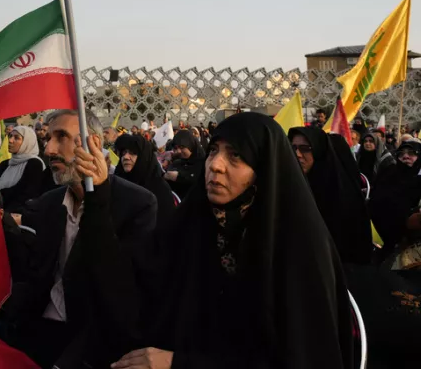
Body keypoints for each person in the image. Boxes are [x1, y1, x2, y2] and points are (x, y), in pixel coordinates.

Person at [116, 113, 355, 369]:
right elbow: (138, 282)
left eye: (236, 155)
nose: (215, 165)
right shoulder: (196, 222)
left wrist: (180, 363)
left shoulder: (297, 247)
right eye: (213, 151)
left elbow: (297, 357)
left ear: (262, 169)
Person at [0, 109, 157, 368]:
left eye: (61, 137)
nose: (49, 149)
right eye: (48, 138)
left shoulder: (137, 204)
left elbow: (123, 294)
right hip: (36, 335)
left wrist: (98, 199)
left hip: (92, 345)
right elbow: (32, 274)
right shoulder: (48, 203)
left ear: (92, 143)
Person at [288, 127, 372, 265]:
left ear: (319, 151)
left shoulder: (340, 194)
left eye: (305, 148)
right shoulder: (291, 184)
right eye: (293, 148)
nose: (297, 154)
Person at [369, 140, 421, 257]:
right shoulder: (389, 174)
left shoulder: (418, 181)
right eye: (401, 154)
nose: (405, 156)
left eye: (411, 153)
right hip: (383, 238)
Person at [114, 133, 176, 229]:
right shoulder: (117, 183)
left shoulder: (160, 189)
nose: (126, 157)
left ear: (144, 156)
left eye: (132, 153)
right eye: (123, 153)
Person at [0, 126, 48, 214]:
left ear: (27, 142)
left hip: (18, 215)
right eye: (10, 136)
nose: (10, 140)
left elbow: (26, 194)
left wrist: (0, 195)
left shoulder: (34, 164)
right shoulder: (4, 164)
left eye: (16, 138)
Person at [164, 130, 205, 199]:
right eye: (176, 148)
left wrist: (179, 177)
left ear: (191, 145)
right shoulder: (177, 162)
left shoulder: (204, 163)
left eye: (182, 147)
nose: (178, 151)